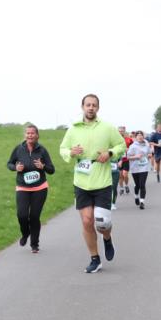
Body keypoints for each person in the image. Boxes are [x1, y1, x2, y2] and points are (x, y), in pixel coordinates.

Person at [58, 94, 126, 273]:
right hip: (81, 183)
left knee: (101, 223)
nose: (90, 108)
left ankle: (107, 237)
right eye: (88, 105)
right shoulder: (73, 128)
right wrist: (71, 152)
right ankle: (95, 259)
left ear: (98, 108)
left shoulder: (107, 127)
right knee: (87, 222)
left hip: (102, 182)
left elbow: (121, 145)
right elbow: (63, 149)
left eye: (94, 105)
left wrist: (110, 153)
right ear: (82, 106)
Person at [7, 124, 55, 253]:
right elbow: (9, 163)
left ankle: (35, 244)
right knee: (21, 215)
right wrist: (15, 168)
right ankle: (25, 233)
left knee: (34, 216)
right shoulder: (18, 149)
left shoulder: (42, 150)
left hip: (40, 188)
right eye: (28, 133)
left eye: (32, 133)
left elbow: (52, 170)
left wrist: (43, 166)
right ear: (25, 135)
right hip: (22, 187)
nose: (30, 135)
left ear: (37, 135)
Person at [127, 130, 151, 209]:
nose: (140, 137)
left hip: (144, 167)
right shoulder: (132, 146)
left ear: (143, 137)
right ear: (136, 137)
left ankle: (142, 202)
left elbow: (149, 153)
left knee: (142, 185)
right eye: (138, 135)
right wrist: (136, 157)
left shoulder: (146, 145)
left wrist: (150, 155)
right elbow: (128, 157)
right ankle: (136, 196)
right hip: (135, 168)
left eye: (141, 135)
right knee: (137, 185)